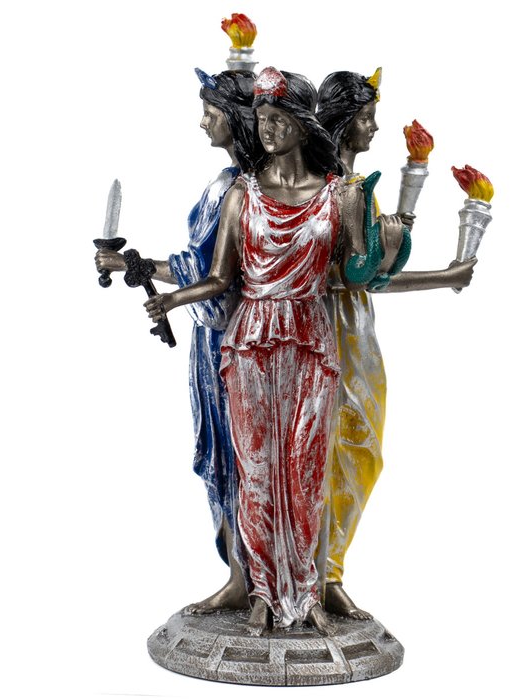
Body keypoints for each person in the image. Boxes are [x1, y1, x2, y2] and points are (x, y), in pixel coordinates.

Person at [144, 67, 370, 636]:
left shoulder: (340, 195)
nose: (266, 129)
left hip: (311, 341)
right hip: (249, 342)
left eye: (278, 119)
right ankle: (265, 591)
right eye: (261, 119)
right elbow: (221, 278)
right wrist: (173, 298)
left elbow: (356, 275)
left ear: (302, 123)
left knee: (306, 467)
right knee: (257, 469)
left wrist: (392, 236)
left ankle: (308, 592)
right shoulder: (241, 195)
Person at [315, 69, 476, 619]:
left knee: (361, 450)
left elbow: (371, 276)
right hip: (320, 330)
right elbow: (349, 276)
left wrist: (426, 264)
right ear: (343, 122)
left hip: (357, 330)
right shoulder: (320, 190)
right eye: (365, 118)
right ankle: (312, 574)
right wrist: (439, 275)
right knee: (322, 450)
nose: (374, 127)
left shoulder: (361, 187)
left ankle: (330, 568)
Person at [95, 69, 256, 614]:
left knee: (237, 455)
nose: (202, 122)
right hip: (211, 338)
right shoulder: (227, 182)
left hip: (236, 340)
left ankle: (251, 575)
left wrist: (140, 269)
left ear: (236, 119)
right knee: (221, 455)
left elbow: (218, 276)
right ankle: (240, 573)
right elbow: (201, 268)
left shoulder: (243, 189)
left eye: (211, 113)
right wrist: (137, 264)